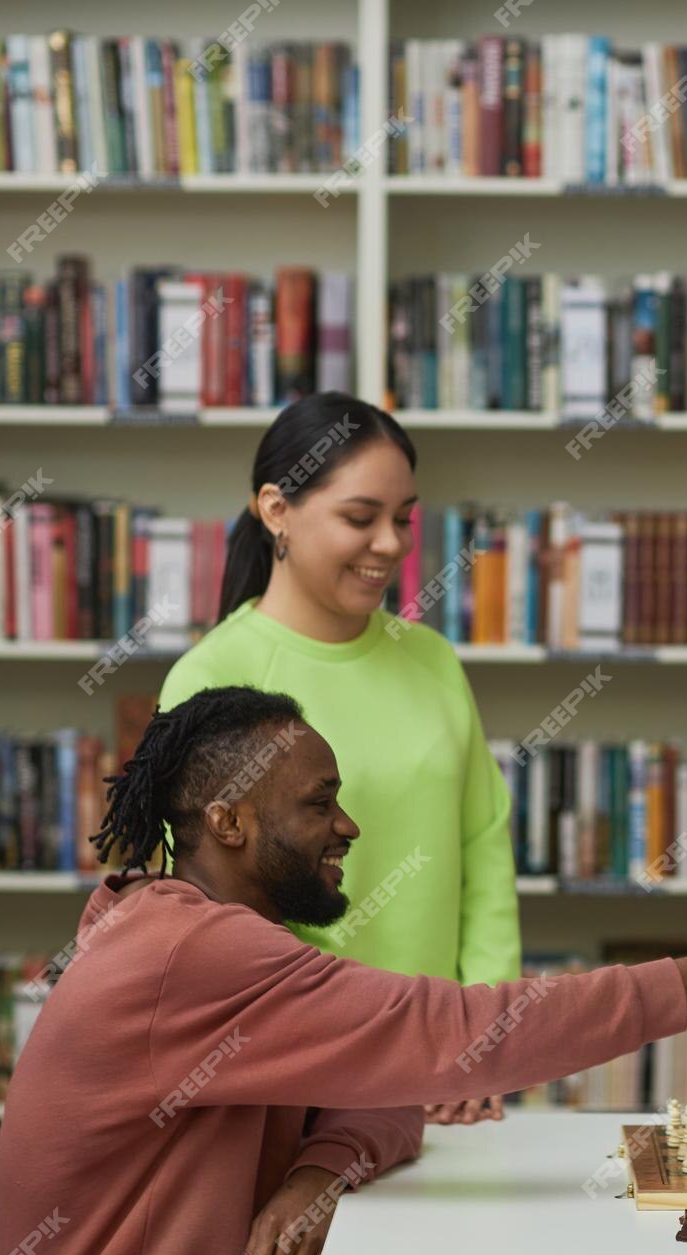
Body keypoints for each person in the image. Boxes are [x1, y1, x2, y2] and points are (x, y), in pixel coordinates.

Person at [0, 686, 687, 1255]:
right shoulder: (198, 953)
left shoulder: (188, 927)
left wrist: (317, 1172)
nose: (349, 825)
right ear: (230, 822)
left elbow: (393, 1082)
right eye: (319, 802)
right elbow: (458, 1038)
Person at [160, 391, 516, 1129]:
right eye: (361, 518)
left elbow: (484, 853)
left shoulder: (433, 661)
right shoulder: (208, 681)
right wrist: (359, 1050)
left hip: (451, 1084)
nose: (391, 543)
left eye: (404, 518)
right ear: (276, 510)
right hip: (300, 1086)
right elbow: (211, 919)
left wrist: (485, 1030)